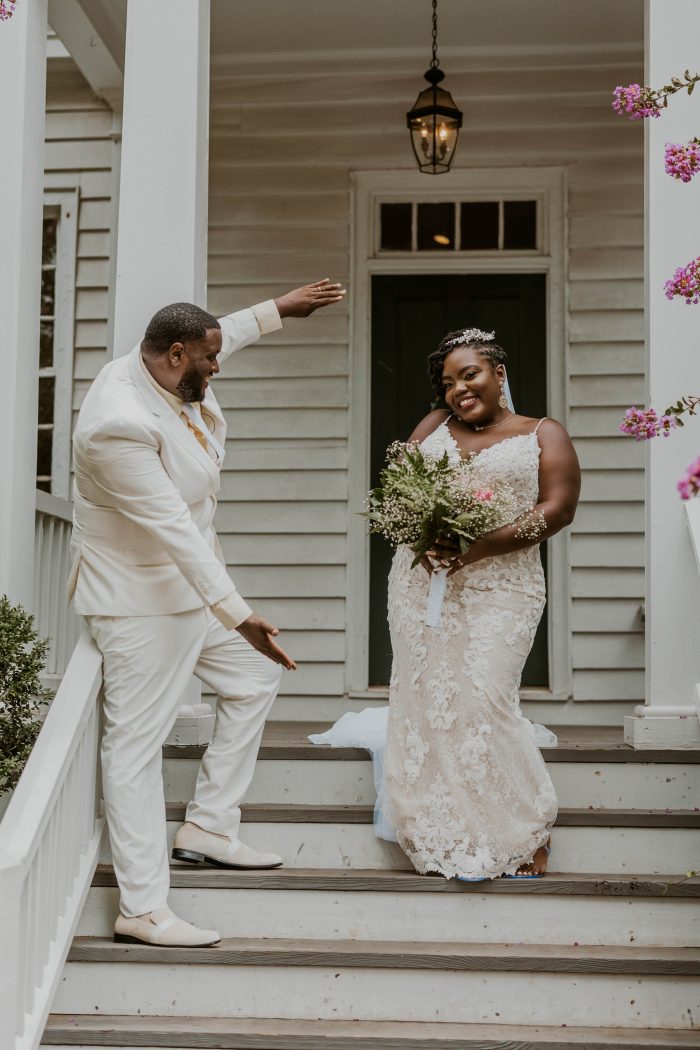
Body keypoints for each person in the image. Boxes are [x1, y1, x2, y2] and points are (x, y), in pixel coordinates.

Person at [70, 280, 345, 946]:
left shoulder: (171, 358)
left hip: (191, 586)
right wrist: (239, 614)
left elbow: (213, 331)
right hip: (141, 602)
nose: (217, 368)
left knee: (253, 681)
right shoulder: (115, 423)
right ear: (171, 357)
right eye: (207, 361)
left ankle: (210, 826)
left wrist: (280, 310)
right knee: (134, 748)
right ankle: (142, 907)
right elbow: (173, 529)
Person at [382, 327, 580, 881]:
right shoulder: (433, 428)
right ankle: (438, 830)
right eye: (448, 382)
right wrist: (423, 537)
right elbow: (398, 493)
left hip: (504, 586)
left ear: (499, 373)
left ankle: (523, 833)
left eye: (470, 374)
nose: (459, 389)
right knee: (426, 696)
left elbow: (558, 508)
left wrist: (477, 547)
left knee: (483, 696)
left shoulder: (542, 432)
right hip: (423, 582)